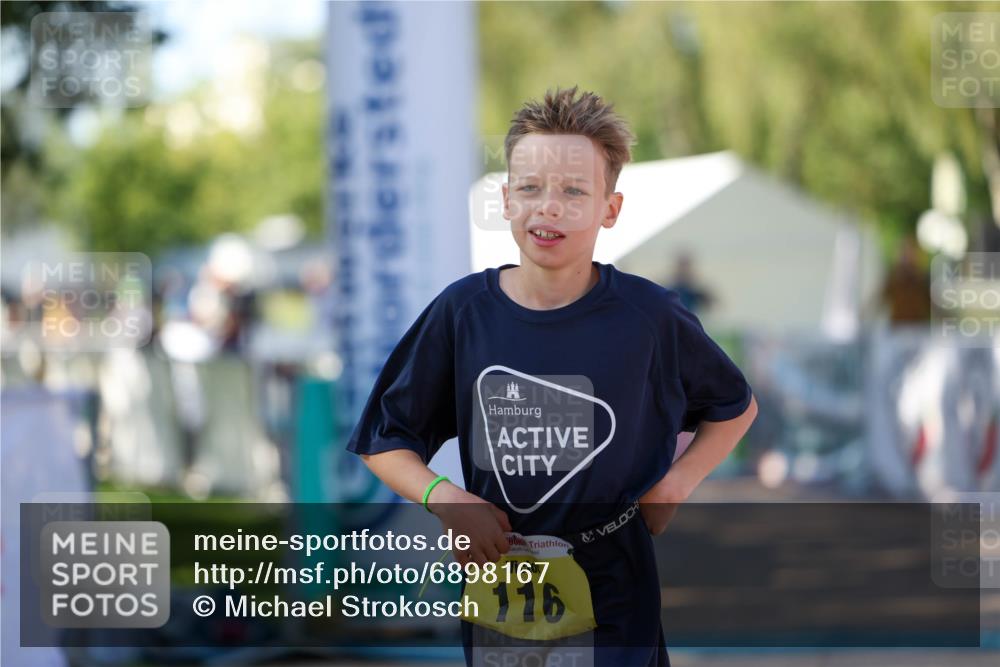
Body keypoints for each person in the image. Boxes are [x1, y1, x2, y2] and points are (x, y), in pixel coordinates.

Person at [346, 87, 758, 667]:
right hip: (502, 590)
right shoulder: (463, 313)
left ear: (608, 210)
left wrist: (674, 485)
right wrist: (447, 500)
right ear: (507, 199)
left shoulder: (649, 317)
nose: (550, 207)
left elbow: (735, 407)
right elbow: (385, 439)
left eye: (574, 191)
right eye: (532, 189)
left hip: (615, 584)